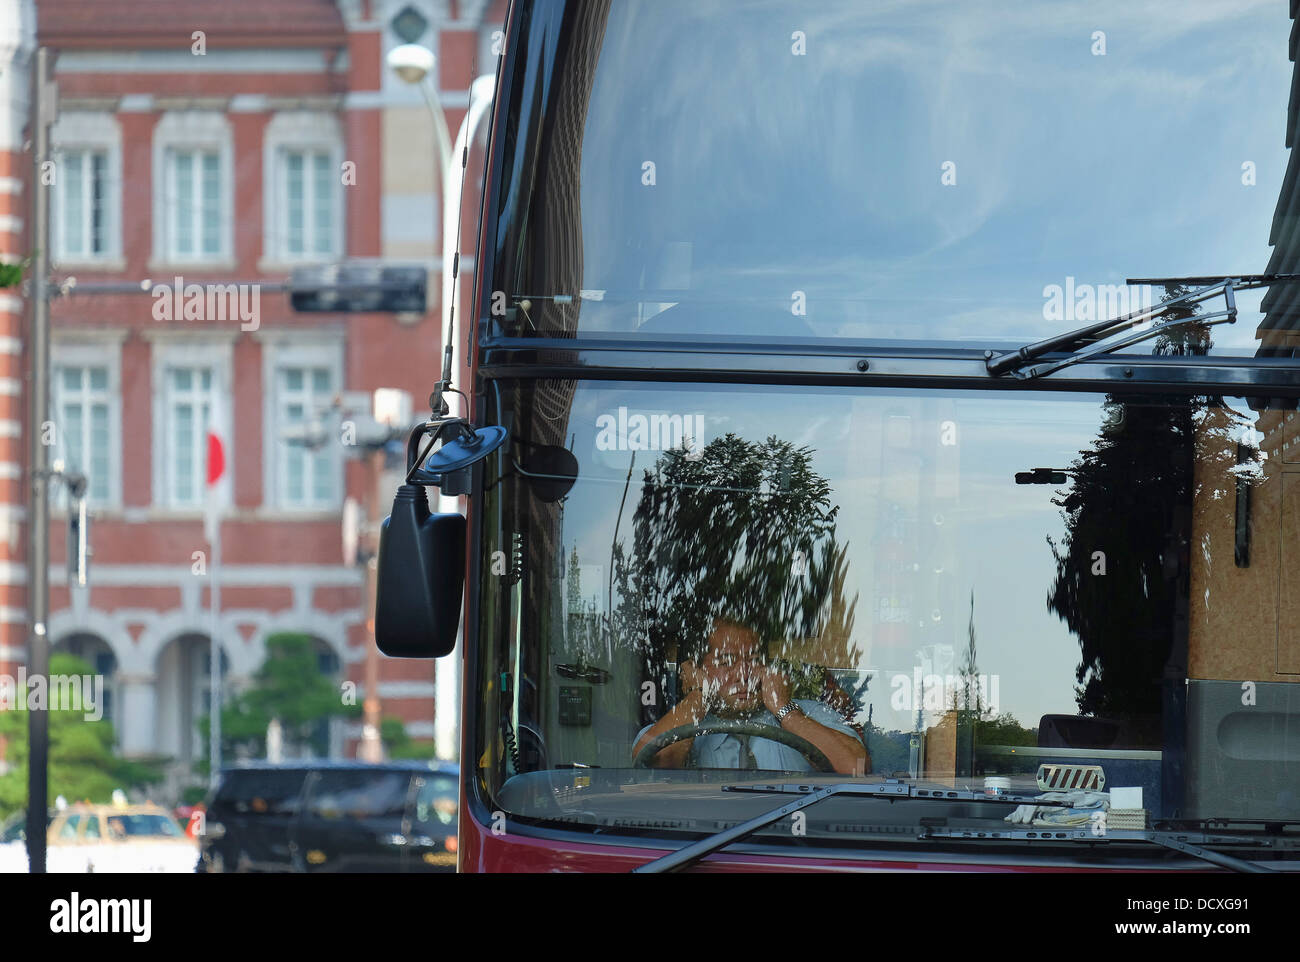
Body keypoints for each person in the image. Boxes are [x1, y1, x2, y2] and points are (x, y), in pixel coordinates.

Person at [632, 617, 869, 774]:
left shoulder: (810, 713)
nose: (744, 674)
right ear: (696, 670)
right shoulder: (678, 722)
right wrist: (700, 695)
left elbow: (855, 768)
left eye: (755, 661)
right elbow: (655, 765)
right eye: (726, 662)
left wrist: (785, 710)